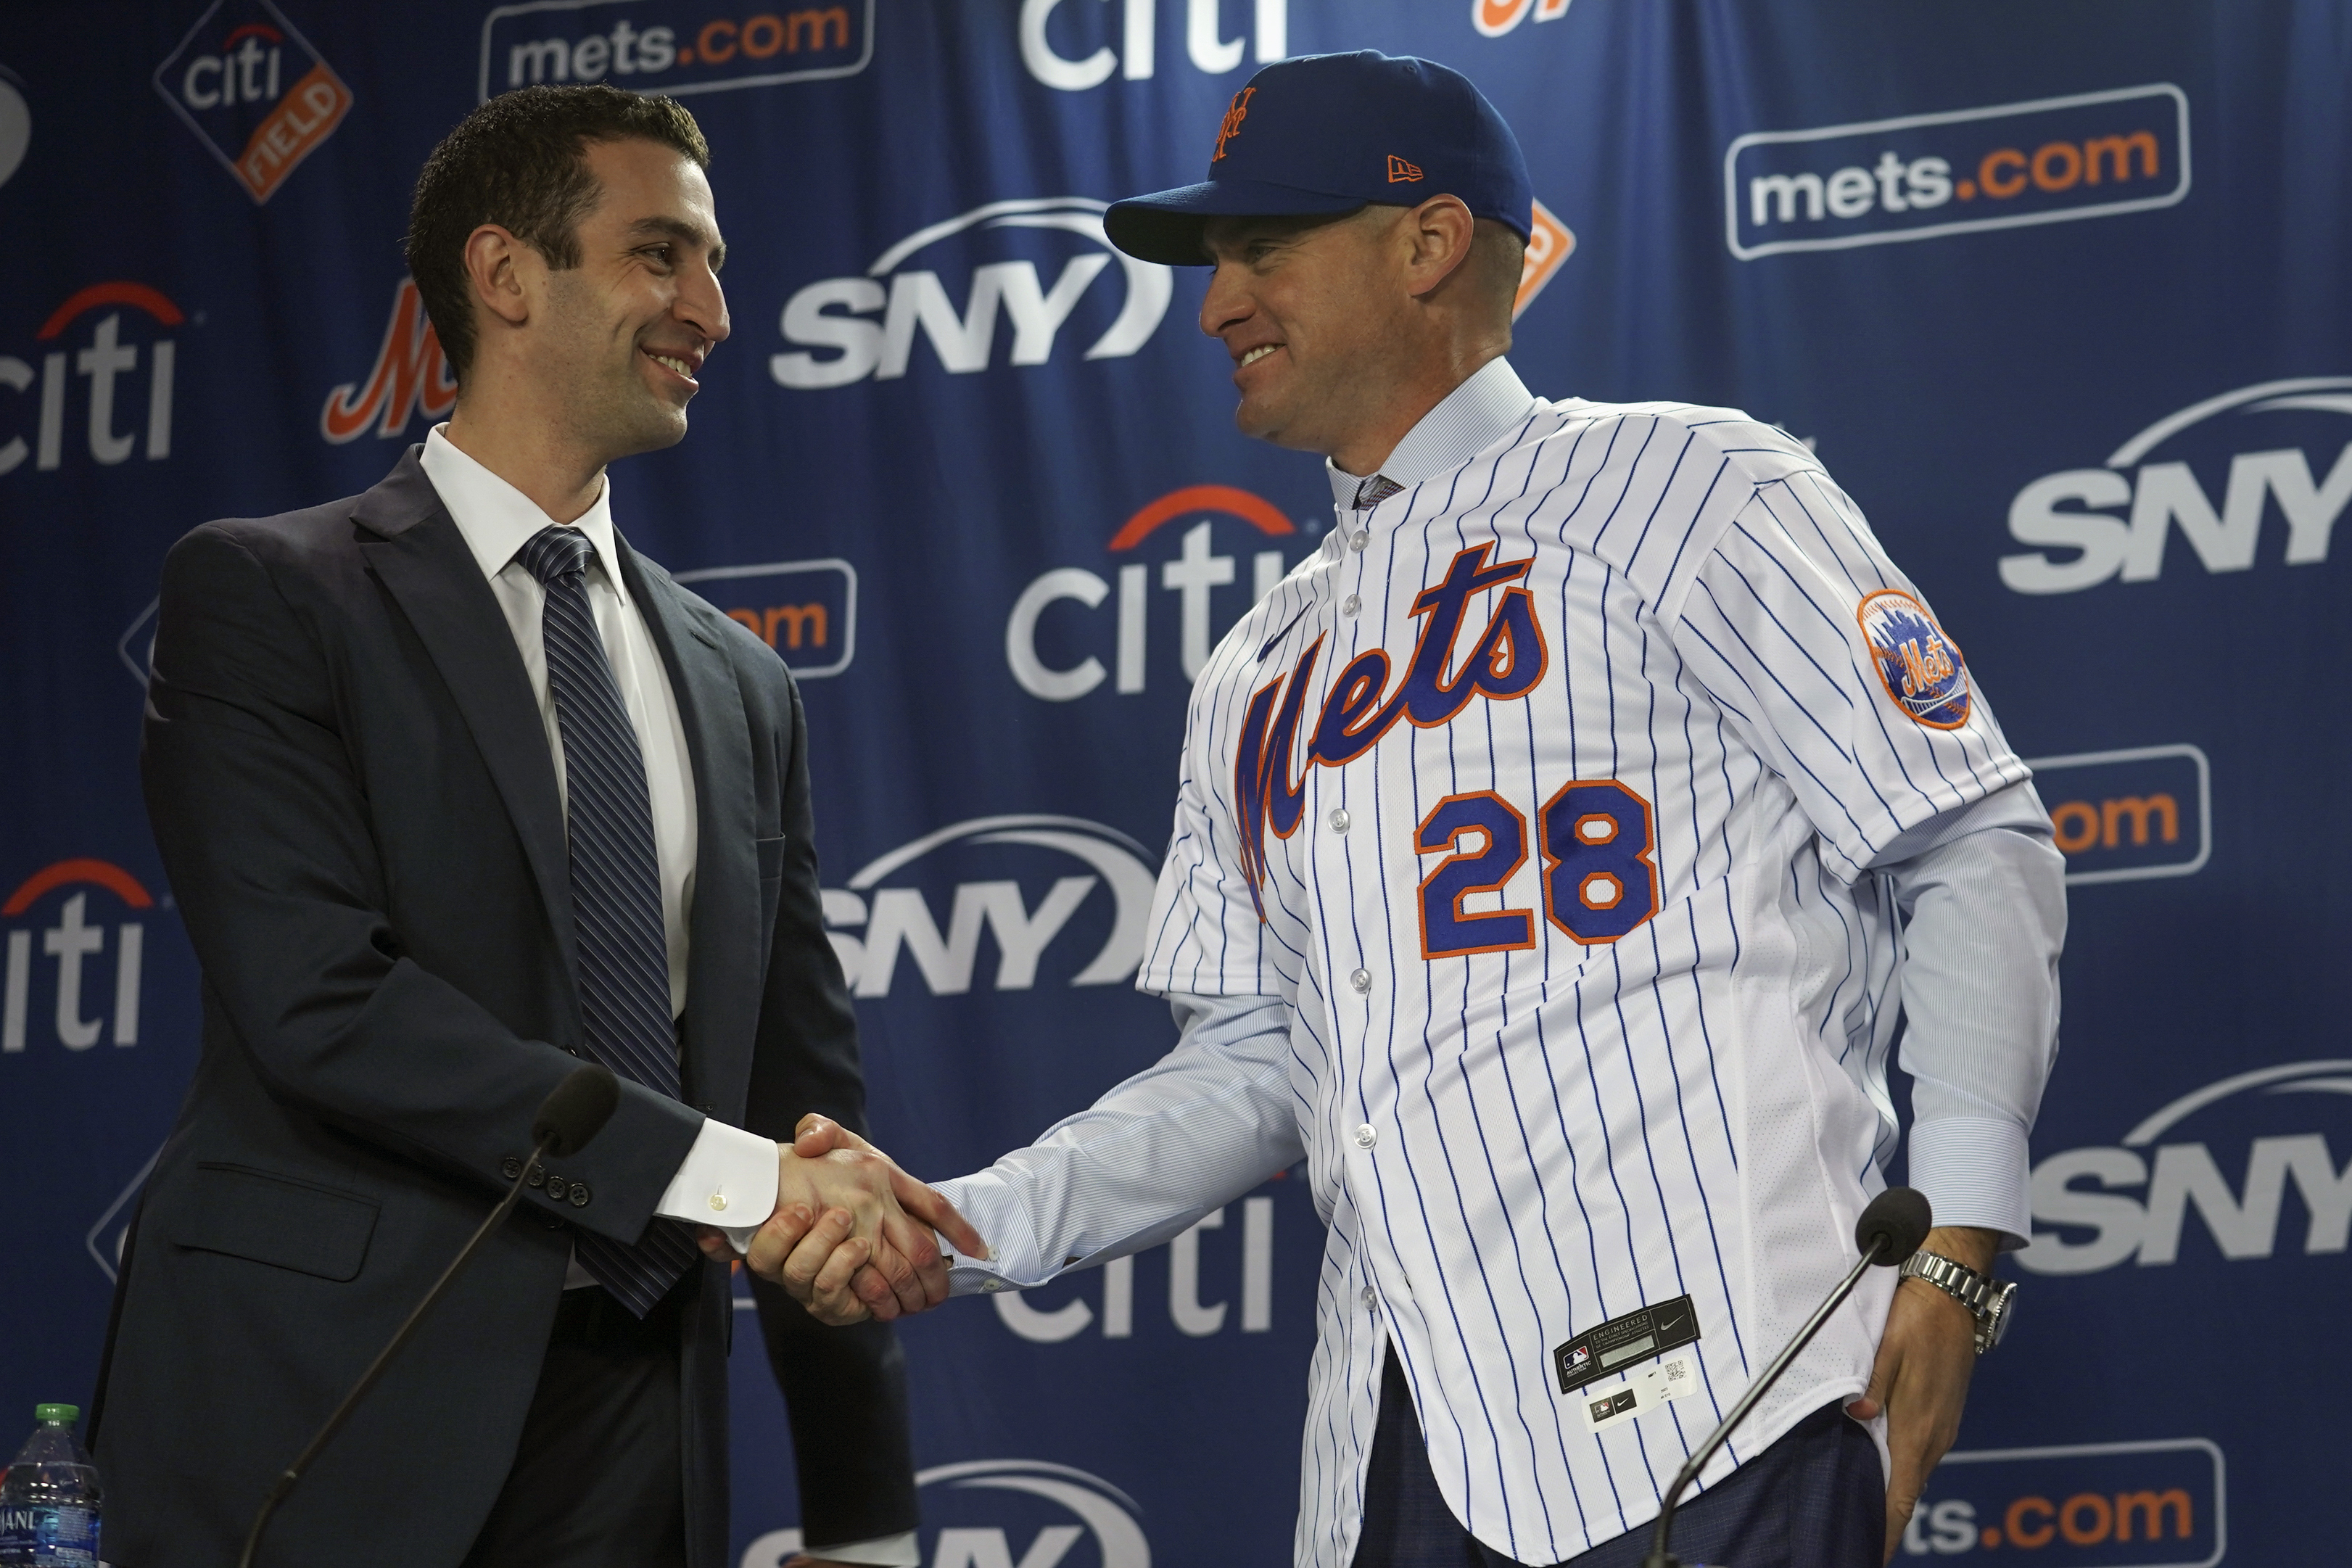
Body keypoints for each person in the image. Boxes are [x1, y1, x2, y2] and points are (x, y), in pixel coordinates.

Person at [759, 51, 2065, 1568]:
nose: (1215, 301)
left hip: (1719, 1388)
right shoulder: (1260, 660)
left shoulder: (1689, 487)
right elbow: (1257, 1065)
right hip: (1400, 1448)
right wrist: (969, 1222)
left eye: (1260, 247)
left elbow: (1968, 838)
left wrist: (1961, 1245)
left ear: (1426, 244)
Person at [88, 84, 979, 1568]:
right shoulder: (268, 595)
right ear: (504, 277)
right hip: (318, 1414)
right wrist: (733, 1180)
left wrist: (863, 1512)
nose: (714, 308)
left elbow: (799, 1101)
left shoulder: (744, 683)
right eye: (662, 257)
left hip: (637, 1425)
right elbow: (324, 1003)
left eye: (712, 264)